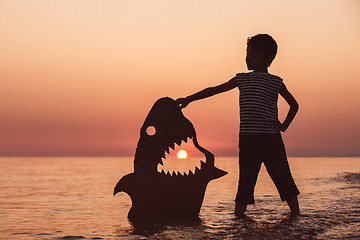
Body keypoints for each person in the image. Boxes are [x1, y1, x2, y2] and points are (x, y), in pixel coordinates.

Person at [176, 34, 300, 218]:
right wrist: (189, 99)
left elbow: (294, 105)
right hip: (248, 140)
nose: (248, 59)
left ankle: (297, 215)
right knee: (246, 180)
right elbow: (214, 90)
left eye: (254, 56)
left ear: (268, 59)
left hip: (271, 139)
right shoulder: (241, 79)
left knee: (283, 177)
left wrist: (284, 126)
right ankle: (238, 219)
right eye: (247, 54)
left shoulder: (276, 82)